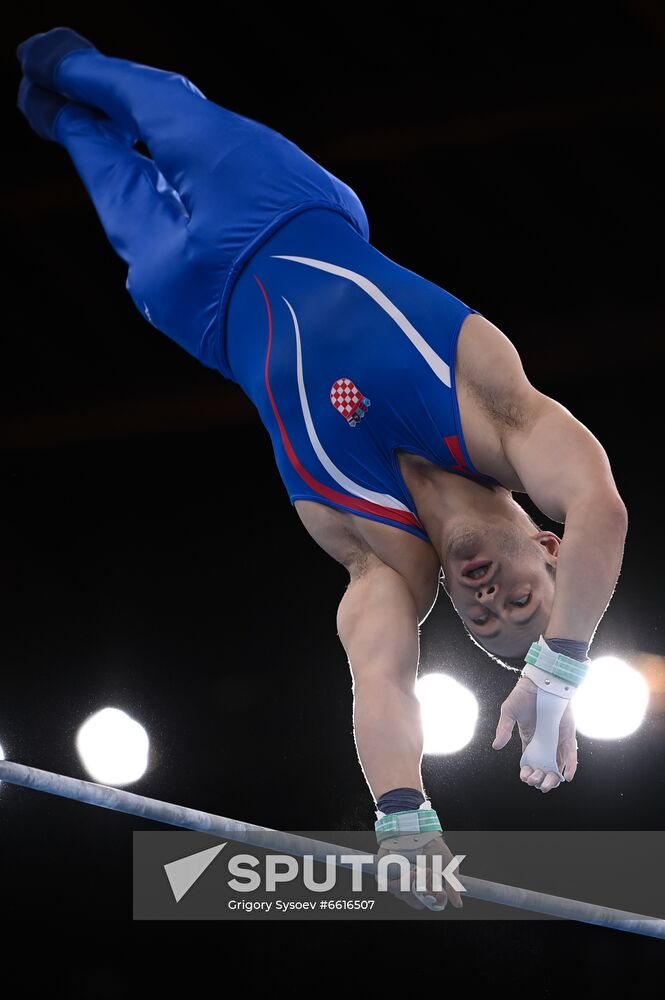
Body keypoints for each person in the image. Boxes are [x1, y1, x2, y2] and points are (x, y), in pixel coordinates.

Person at [16, 28, 628, 912]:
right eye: (522, 601)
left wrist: (404, 818)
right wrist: (558, 668)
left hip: (200, 308)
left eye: (482, 620)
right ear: (548, 544)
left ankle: (53, 110)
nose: (489, 601)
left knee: (73, 132)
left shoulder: (385, 560)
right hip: (280, 204)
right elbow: (602, 505)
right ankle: (57, 57)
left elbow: (381, 679)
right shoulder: (499, 414)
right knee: (111, 84)